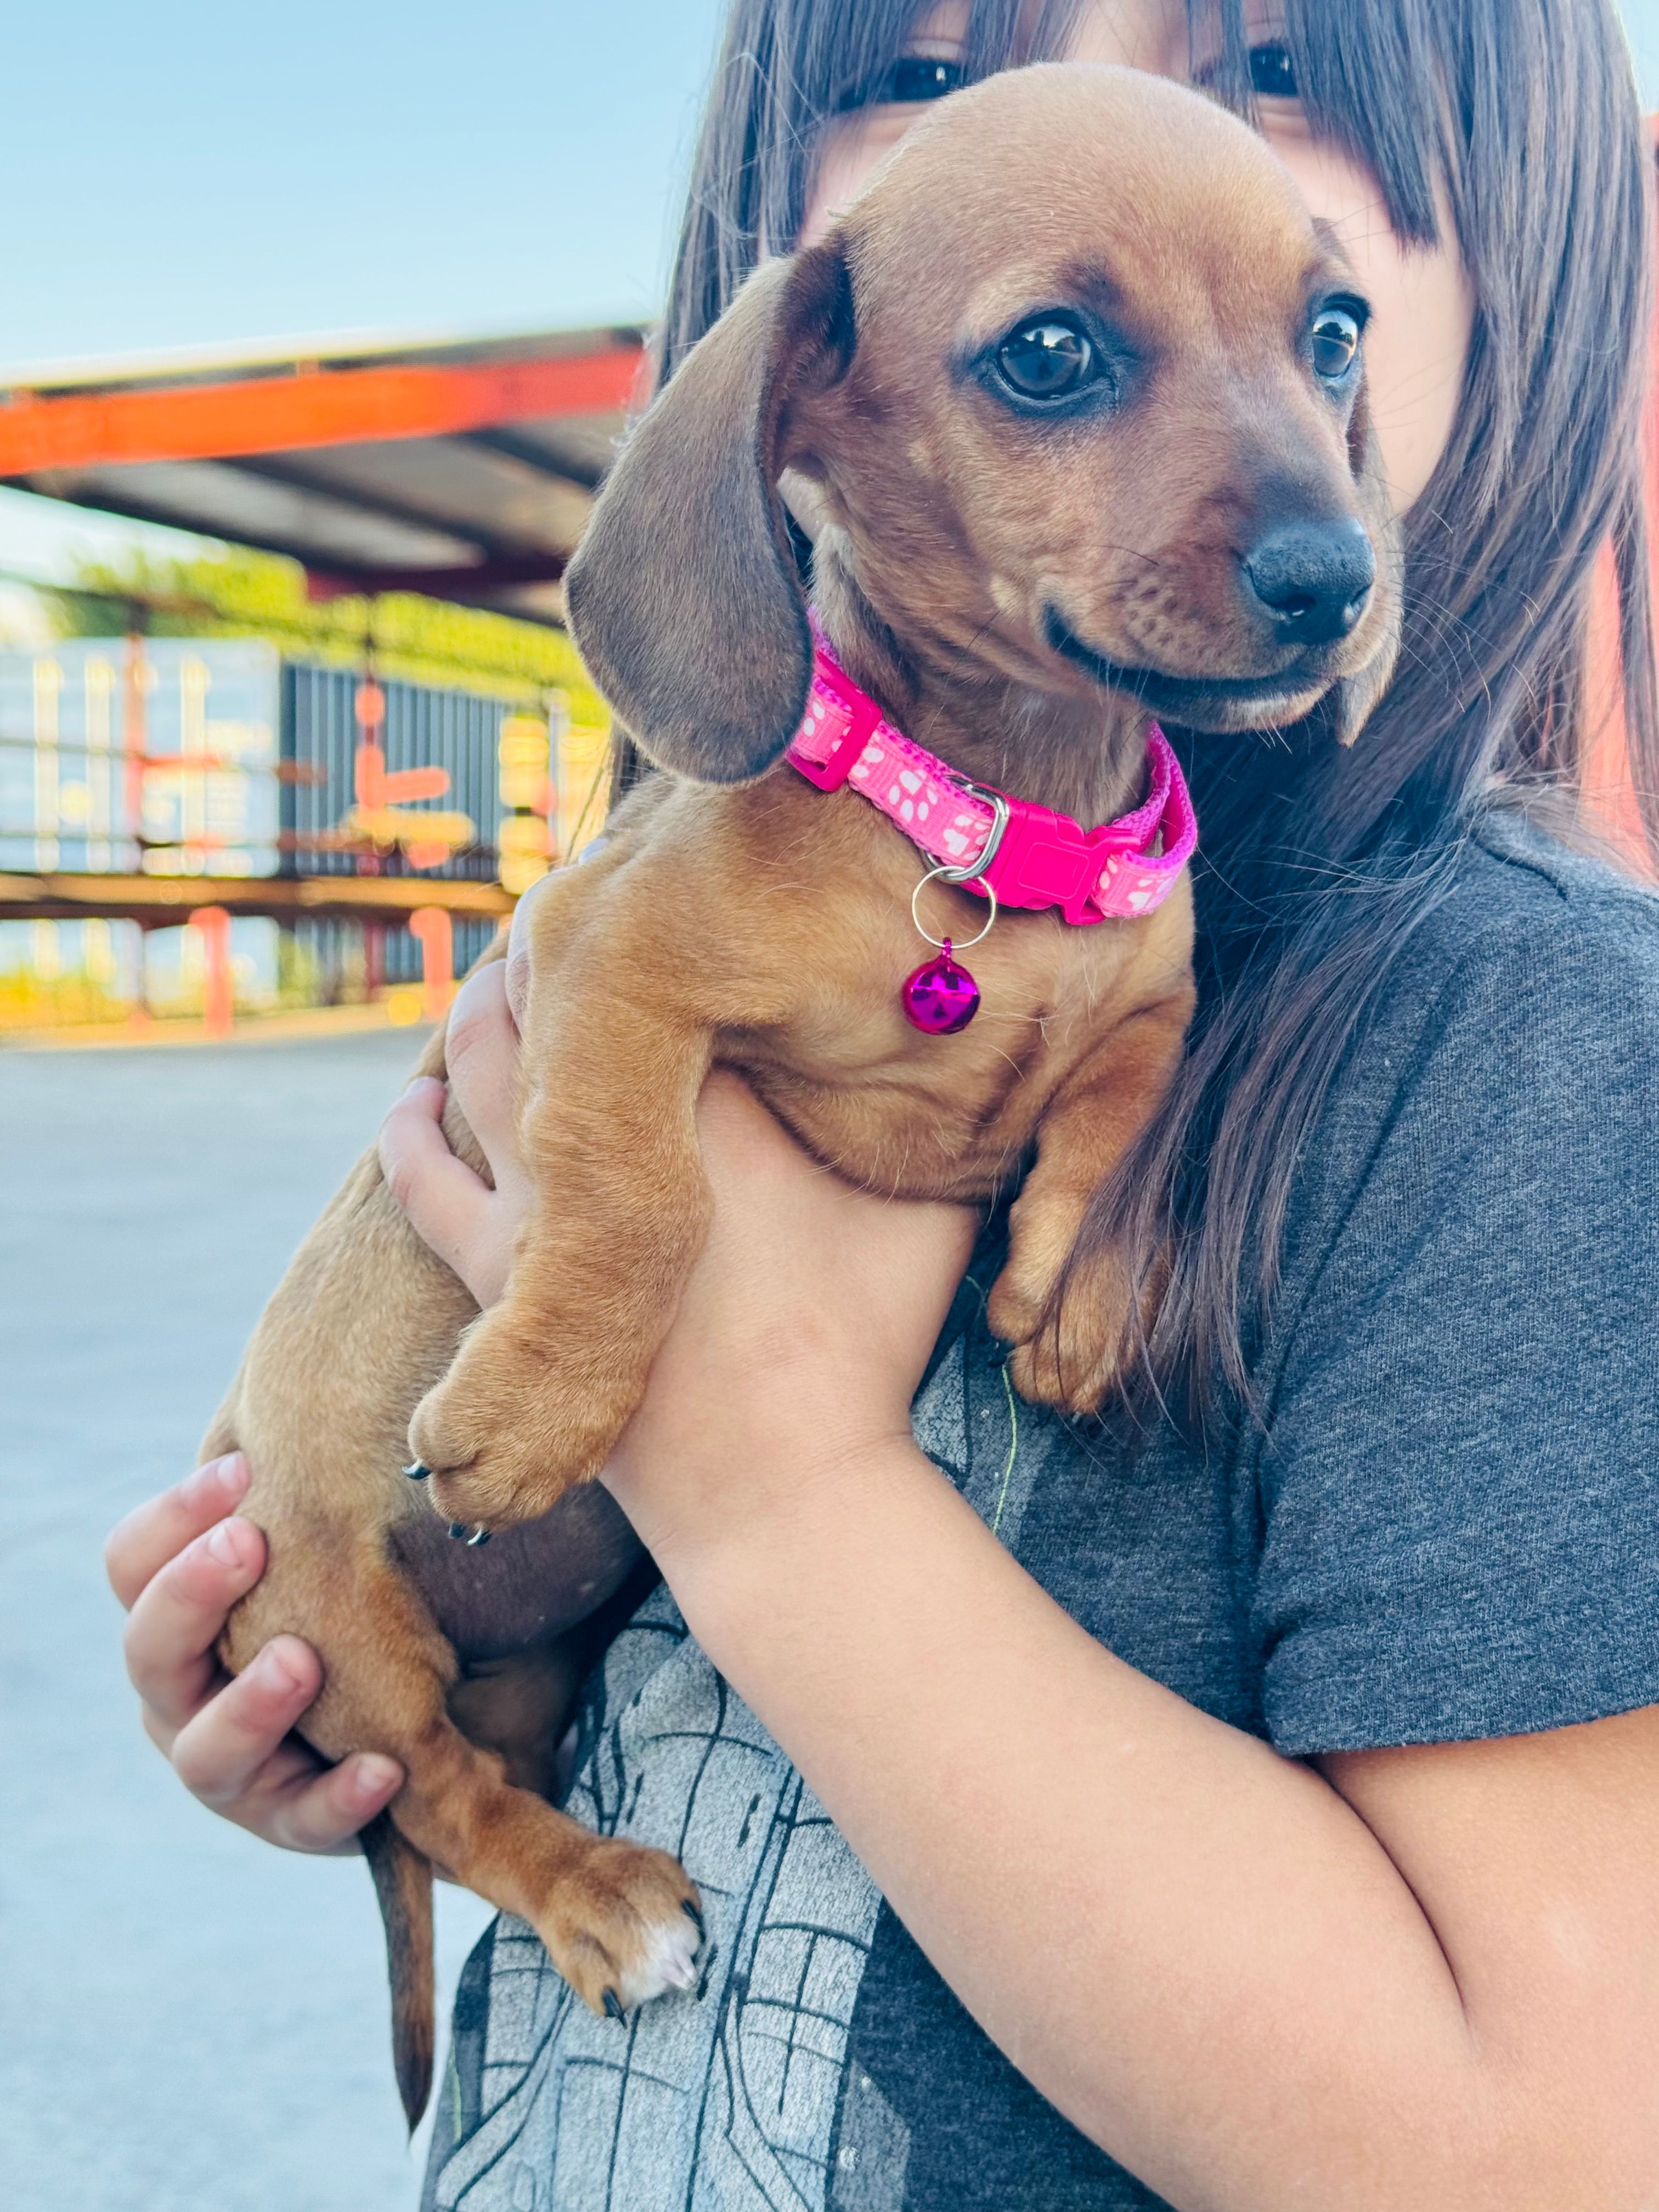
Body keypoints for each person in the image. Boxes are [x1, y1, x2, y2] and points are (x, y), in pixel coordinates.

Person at [105, 2, 1659, 2205]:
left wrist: (770, 1479)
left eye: (1277, 64)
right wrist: (411, 1713)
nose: (1114, 134)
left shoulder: (1539, 1061)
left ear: (1538, 242)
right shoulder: (733, 886)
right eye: (929, 79)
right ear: (807, 360)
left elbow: (1542, 2155)